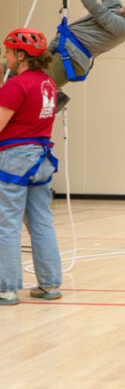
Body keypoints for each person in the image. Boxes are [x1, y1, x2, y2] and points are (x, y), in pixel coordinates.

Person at [0, 28, 61, 305]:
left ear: (20, 55)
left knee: (7, 223)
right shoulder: (47, 82)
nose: (6, 56)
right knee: (41, 221)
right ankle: (49, 284)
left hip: (14, 157)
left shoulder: (16, 84)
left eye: (8, 52)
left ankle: (7, 287)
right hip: (40, 156)